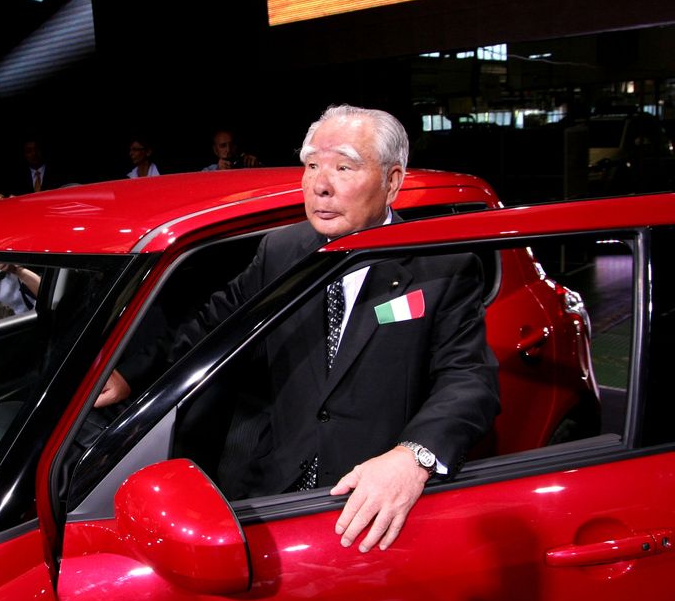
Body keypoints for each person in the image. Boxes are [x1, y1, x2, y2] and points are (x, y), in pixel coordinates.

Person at [97, 104, 499, 553]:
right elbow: (212, 323)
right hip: (277, 491)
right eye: (311, 166)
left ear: (392, 181)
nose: (320, 185)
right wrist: (130, 374)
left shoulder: (442, 267)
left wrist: (412, 457)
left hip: (374, 505)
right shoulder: (280, 251)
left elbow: (469, 380)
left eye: (343, 167)